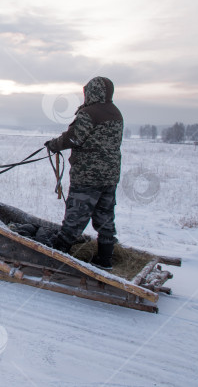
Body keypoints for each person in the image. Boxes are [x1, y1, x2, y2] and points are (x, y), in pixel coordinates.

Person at [45, 77, 123, 270]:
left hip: (88, 176)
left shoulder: (89, 113)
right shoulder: (116, 113)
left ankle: (57, 255)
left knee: (75, 216)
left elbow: (73, 138)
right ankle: (105, 259)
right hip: (110, 176)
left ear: (92, 92)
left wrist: (54, 145)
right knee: (105, 217)